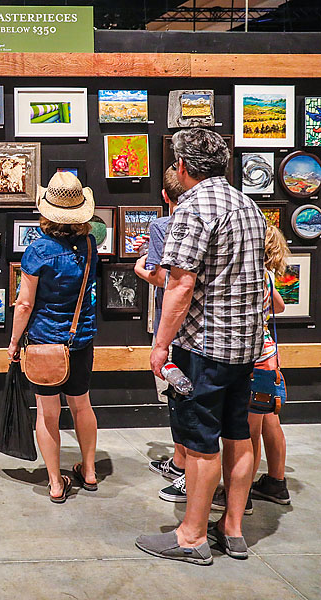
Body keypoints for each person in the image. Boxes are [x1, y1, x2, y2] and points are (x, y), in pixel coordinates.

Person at [136, 128, 266, 565]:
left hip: (204, 348)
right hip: (245, 346)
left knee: (198, 442)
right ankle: (232, 530)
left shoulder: (193, 207)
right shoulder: (246, 204)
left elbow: (180, 285)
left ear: (184, 168)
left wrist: (160, 345)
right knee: (239, 435)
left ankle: (191, 537)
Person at [7, 171, 99, 504]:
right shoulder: (90, 244)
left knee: (48, 414)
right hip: (81, 339)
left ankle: (56, 483)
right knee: (82, 405)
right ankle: (89, 471)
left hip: (45, 342)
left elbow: (25, 304)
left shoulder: (37, 250)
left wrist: (15, 342)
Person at [213, 226, 290, 511]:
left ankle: (240, 495)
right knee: (264, 424)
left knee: (248, 434)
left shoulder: (248, 274)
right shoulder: (267, 276)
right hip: (269, 361)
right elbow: (279, 307)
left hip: (254, 362)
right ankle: (270, 485)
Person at [133, 166, 190, 503]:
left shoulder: (162, 225)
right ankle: (180, 461)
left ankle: (184, 469)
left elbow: (165, 280)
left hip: (171, 323)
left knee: (176, 394)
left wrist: (142, 269)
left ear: (166, 197)